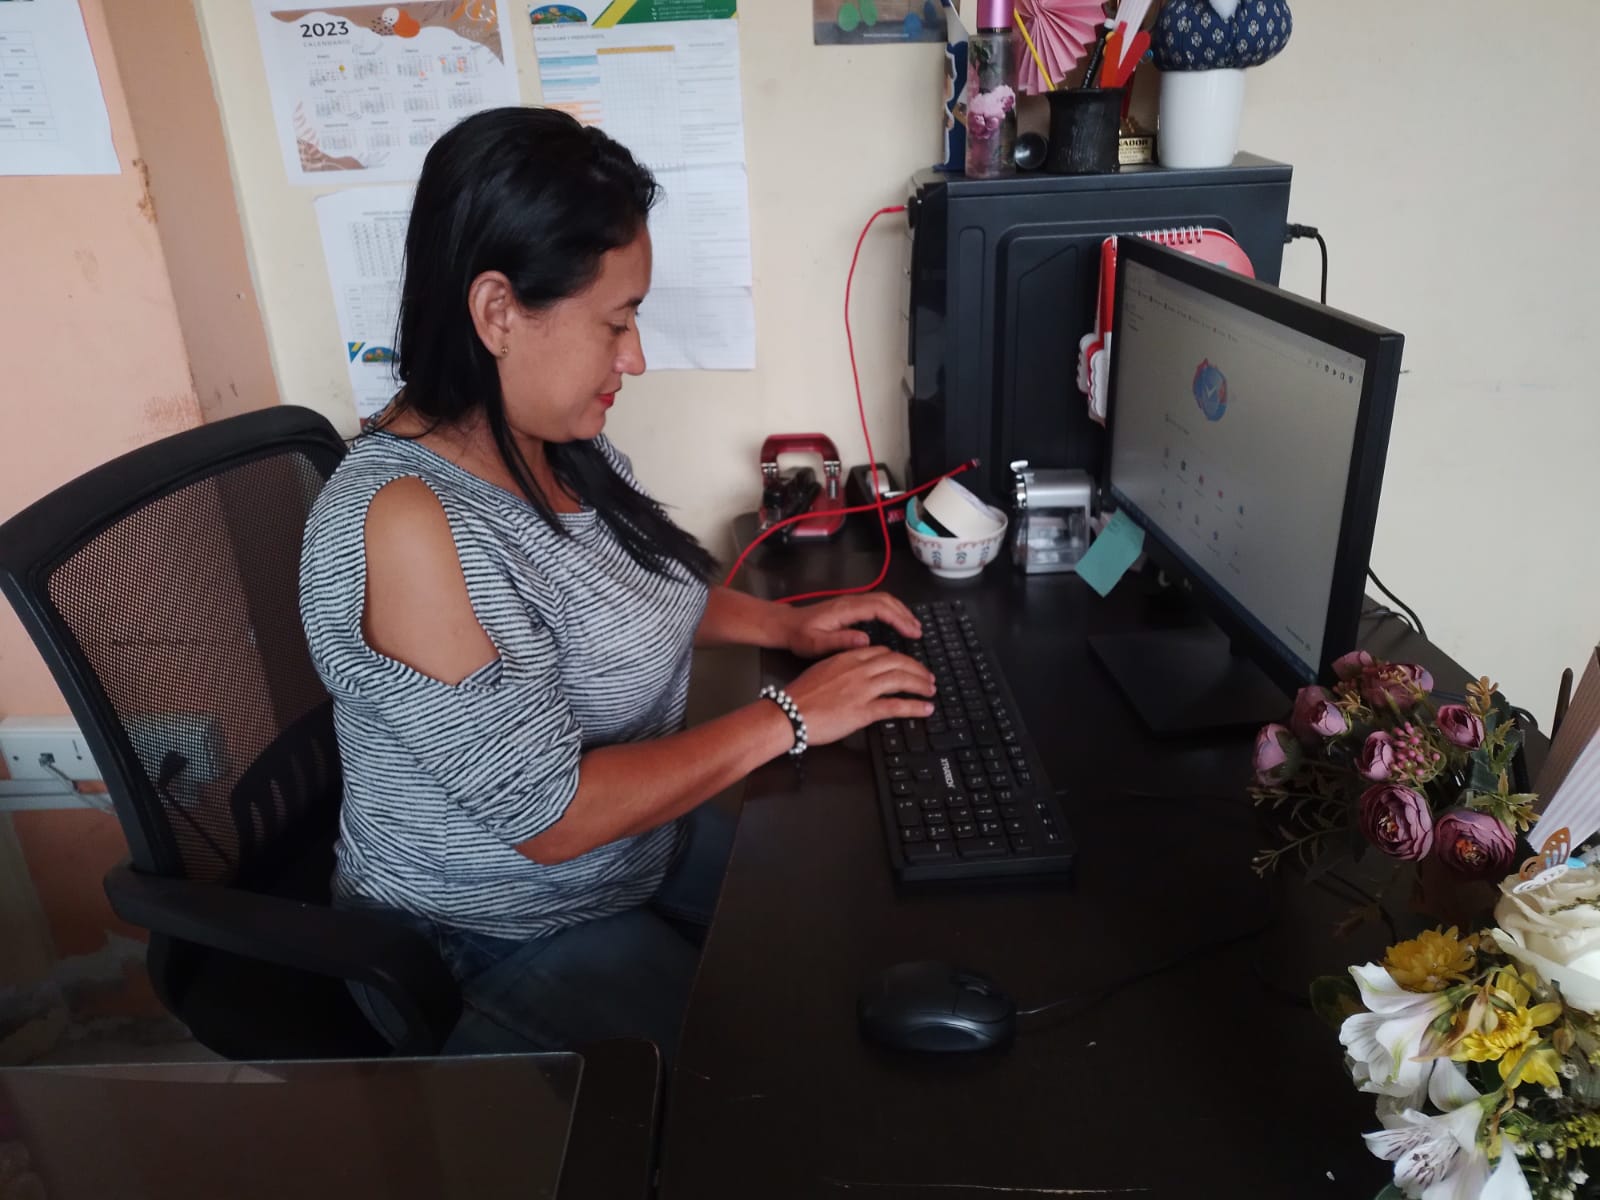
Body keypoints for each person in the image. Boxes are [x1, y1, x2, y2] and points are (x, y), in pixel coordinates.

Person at [297, 106, 936, 1059]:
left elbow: (633, 596)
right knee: (784, 1069)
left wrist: (787, 627)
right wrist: (790, 716)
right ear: (497, 313)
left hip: (633, 857)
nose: (634, 357)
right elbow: (550, 817)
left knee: (861, 933)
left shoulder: (553, 442)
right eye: (616, 322)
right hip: (490, 929)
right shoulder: (407, 523)